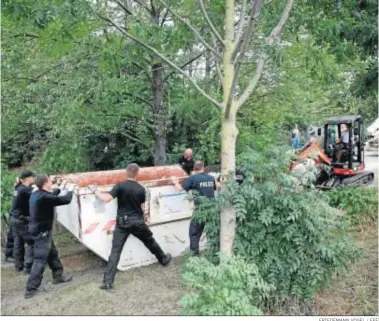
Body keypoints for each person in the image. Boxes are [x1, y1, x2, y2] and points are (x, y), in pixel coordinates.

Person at [91, 163, 172, 291]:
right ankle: (163, 259)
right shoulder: (141, 189)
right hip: (138, 223)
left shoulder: (120, 186)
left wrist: (95, 191)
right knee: (150, 241)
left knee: (115, 252)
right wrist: (146, 217)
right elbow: (142, 207)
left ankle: (107, 283)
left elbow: (106, 199)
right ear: (137, 173)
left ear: (126, 172)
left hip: (122, 224)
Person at [25, 174, 73, 299]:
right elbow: (66, 200)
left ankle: (58, 276)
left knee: (52, 254)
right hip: (41, 233)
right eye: (50, 180)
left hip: (40, 231)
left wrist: (61, 187)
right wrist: (71, 189)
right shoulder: (43, 197)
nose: (52, 181)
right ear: (45, 183)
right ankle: (30, 289)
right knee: (40, 260)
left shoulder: (37, 194)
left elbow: (52, 196)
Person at [172, 160, 220, 256]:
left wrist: (175, 181)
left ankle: (195, 256)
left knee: (194, 233)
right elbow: (218, 186)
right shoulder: (211, 178)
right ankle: (216, 253)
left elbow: (180, 188)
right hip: (212, 209)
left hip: (200, 210)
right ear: (203, 167)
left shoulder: (192, 178)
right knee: (213, 232)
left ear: (194, 168)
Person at [9, 170, 36, 274]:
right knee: (31, 242)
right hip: (21, 220)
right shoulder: (25, 189)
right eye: (33, 177)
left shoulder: (17, 188)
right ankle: (28, 267)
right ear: (28, 178)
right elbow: (38, 191)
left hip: (14, 219)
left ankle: (18, 266)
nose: (34, 178)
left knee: (18, 242)